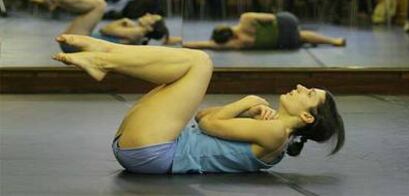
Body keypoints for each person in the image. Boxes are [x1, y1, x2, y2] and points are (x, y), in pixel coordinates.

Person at [51, 36, 345, 174]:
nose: (300, 87)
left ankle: (105, 57)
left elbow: (207, 123)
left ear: (306, 117)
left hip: (156, 152)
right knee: (177, 75)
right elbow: (204, 115)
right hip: (151, 147)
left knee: (201, 62)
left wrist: (247, 101)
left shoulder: (277, 134)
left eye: (308, 93)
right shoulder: (270, 128)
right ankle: (107, 52)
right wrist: (246, 110)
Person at [29, 0, 179, 52]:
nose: (147, 14)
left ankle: (55, 0)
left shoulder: (137, 33)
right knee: (96, 4)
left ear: (150, 28)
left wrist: (123, 21)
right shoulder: (138, 32)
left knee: (99, 4)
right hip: (79, 41)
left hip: (77, 44)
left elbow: (105, 30)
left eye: (151, 17)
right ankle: (55, 0)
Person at [183, 12, 346, 50]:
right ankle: (333, 41)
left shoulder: (235, 43)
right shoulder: (246, 20)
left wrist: (184, 44)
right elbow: (271, 17)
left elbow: (207, 44)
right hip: (284, 34)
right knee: (301, 35)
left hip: (284, 33)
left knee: (301, 36)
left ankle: (332, 41)